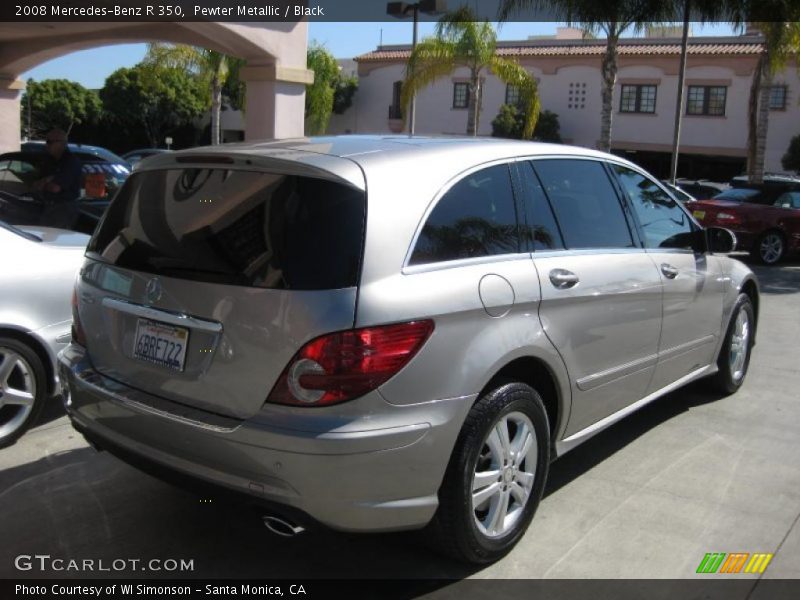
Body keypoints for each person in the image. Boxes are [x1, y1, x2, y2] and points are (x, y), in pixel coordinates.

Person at [32, 128, 83, 230]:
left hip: (64, 209)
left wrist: (43, 184)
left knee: (53, 240)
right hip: (48, 206)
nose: (46, 145)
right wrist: (47, 180)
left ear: (62, 143)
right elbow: (34, 185)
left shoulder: (70, 161)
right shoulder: (49, 161)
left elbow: (55, 188)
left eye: (49, 142)